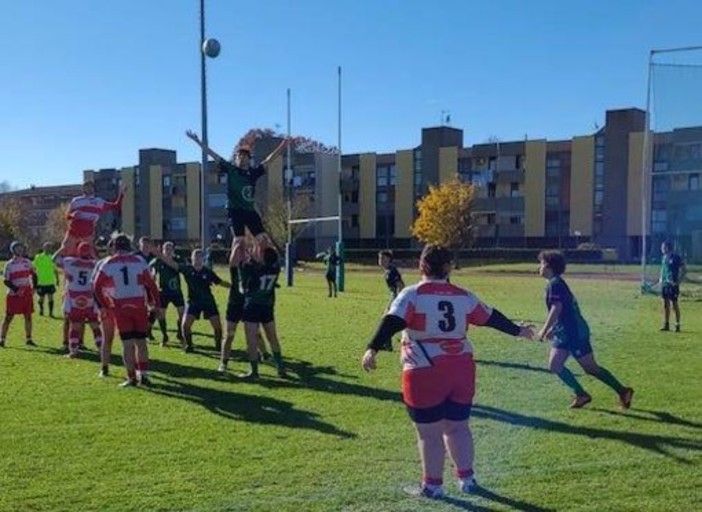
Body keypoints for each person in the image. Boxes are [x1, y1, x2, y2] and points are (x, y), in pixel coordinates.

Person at [361, 245, 534, 499]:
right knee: (459, 427)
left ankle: (433, 486)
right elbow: (490, 316)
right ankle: (467, 479)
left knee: (429, 434)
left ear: (421, 266)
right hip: (461, 369)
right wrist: (518, 330)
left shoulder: (413, 294)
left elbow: (393, 321)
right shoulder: (463, 295)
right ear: (448, 267)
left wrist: (372, 349)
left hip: (424, 370)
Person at [536, 250, 634, 410]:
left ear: (547, 265)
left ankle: (623, 391)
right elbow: (565, 310)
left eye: (540, 263)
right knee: (554, 365)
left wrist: (544, 330)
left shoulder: (555, 284)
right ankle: (581, 394)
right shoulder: (555, 283)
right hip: (564, 332)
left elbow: (557, 308)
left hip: (575, 333)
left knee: (590, 368)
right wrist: (553, 329)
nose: (538, 267)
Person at [185, 130, 287, 266]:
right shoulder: (231, 170)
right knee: (239, 242)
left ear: (249, 159)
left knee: (264, 241)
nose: (242, 158)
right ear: (236, 159)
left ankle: (262, 267)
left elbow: (269, 160)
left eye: (245, 156)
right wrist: (198, 141)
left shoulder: (253, 173)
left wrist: (283, 146)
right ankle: (234, 272)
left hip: (250, 211)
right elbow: (213, 154)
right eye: (239, 156)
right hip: (235, 210)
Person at [92, 234, 160, 387]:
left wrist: (103, 305)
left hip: (120, 306)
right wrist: (156, 304)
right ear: (129, 246)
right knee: (141, 343)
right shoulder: (140, 261)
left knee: (127, 344)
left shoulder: (109, 263)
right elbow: (152, 284)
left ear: (114, 247)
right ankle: (144, 375)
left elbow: (96, 286)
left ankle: (131, 378)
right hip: (138, 304)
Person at [238, 246, 285, 379]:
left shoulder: (254, 269)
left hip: (252, 306)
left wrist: (247, 255)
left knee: (251, 340)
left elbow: (242, 265)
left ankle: (254, 372)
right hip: (267, 306)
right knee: (273, 338)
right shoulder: (275, 269)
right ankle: (280, 367)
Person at [53, 243, 102, 358]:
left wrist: (62, 248)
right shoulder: (95, 264)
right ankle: (101, 348)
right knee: (95, 325)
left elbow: (54, 259)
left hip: (75, 297)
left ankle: (73, 350)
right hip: (90, 297)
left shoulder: (70, 262)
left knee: (75, 325)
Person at [180, 249, 230, 353]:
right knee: (185, 325)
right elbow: (172, 264)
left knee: (217, 326)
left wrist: (234, 288)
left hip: (208, 301)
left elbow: (220, 282)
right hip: (193, 302)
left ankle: (218, 346)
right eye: (195, 257)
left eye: (200, 257)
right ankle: (189, 345)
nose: (197, 259)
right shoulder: (187, 270)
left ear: (203, 259)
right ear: (192, 259)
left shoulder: (208, 272)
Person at [59, 181, 125, 258]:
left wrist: (122, 194)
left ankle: (97, 266)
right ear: (83, 189)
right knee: (65, 249)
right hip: (74, 228)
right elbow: (67, 215)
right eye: (87, 187)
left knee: (89, 250)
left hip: (88, 229)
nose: (89, 189)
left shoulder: (98, 201)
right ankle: (53, 264)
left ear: (94, 189)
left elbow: (116, 206)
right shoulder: (76, 200)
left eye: (91, 187)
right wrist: (73, 215)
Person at [1, 242, 37, 348]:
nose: (20, 250)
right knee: (8, 317)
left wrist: (35, 287)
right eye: (18, 248)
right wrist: (16, 290)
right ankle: (2, 339)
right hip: (13, 295)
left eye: (21, 248)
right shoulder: (9, 264)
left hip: (26, 293)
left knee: (28, 316)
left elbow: (34, 275)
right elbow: (6, 281)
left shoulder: (27, 262)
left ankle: (29, 339)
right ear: (13, 250)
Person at [150, 242, 185, 346]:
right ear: (162, 250)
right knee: (161, 315)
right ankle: (164, 336)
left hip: (176, 292)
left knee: (182, 313)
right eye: (166, 249)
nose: (168, 251)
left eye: (170, 248)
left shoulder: (178, 260)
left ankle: (180, 333)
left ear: (173, 250)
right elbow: (151, 269)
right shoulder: (158, 261)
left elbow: (183, 269)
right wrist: (152, 274)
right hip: (163, 292)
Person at [93, 238, 117, 378]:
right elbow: (94, 287)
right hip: (107, 306)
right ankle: (104, 367)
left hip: (122, 306)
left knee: (129, 340)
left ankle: (136, 369)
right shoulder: (102, 263)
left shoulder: (127, 262)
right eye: (113, 246)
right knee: (108, 338)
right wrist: (101, 306)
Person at [377, 250, 406, 352]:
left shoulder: (392, 271)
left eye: (383, 258)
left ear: (389, 259)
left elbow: (401, 286)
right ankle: (387, 345)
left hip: (395, 297)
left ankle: (388, 344)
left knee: (387, 319)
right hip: (393, 296)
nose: (380, 260)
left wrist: (398, 300)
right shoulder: (387, 270)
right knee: (387, 319)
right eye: (379, 258)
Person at [658, 240, 685, 332]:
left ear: (667, 247)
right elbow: (663, 269)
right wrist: (661, 278)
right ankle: (666, 324)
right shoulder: (664, 257)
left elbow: (683, 269)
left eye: (663, 247)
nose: (661, 249)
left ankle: (677, 325)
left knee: (674, 304)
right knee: (665, 304)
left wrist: (678, 281)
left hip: (673, 284)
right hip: (665, 284)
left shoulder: (676, 257)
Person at [33, 242, 60, 317]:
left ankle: (51, 313)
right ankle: (41, 310)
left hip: (50, 282)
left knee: (50, 298)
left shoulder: (52, 258)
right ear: (43, 248)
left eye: (50, 247)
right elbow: (33, 268)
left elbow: (55, 270)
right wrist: (34, 280)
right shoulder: (38, 257)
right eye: (47, 247)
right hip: (41, 282)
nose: (48, 249)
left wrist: (57, 279)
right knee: (41, 298)